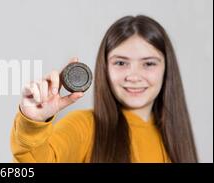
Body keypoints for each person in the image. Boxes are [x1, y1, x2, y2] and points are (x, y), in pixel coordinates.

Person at [10, 15, 198, 163]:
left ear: (167, 69)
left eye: (149, 64)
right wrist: (32, 124)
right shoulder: (85, 127)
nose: (133, 76)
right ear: (104, 68)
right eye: (121, 62)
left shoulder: (177, 138)